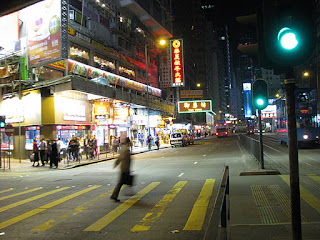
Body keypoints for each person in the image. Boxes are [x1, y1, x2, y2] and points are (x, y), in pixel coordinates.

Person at [110, 137, 132, 202]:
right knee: (120, 183)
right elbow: (120, 158)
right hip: (124, 169)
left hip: (125, 168)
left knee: (122, 182)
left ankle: (115, 195)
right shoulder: (125, 150)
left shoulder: (126, 149)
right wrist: (116, 163)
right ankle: (114, 195)